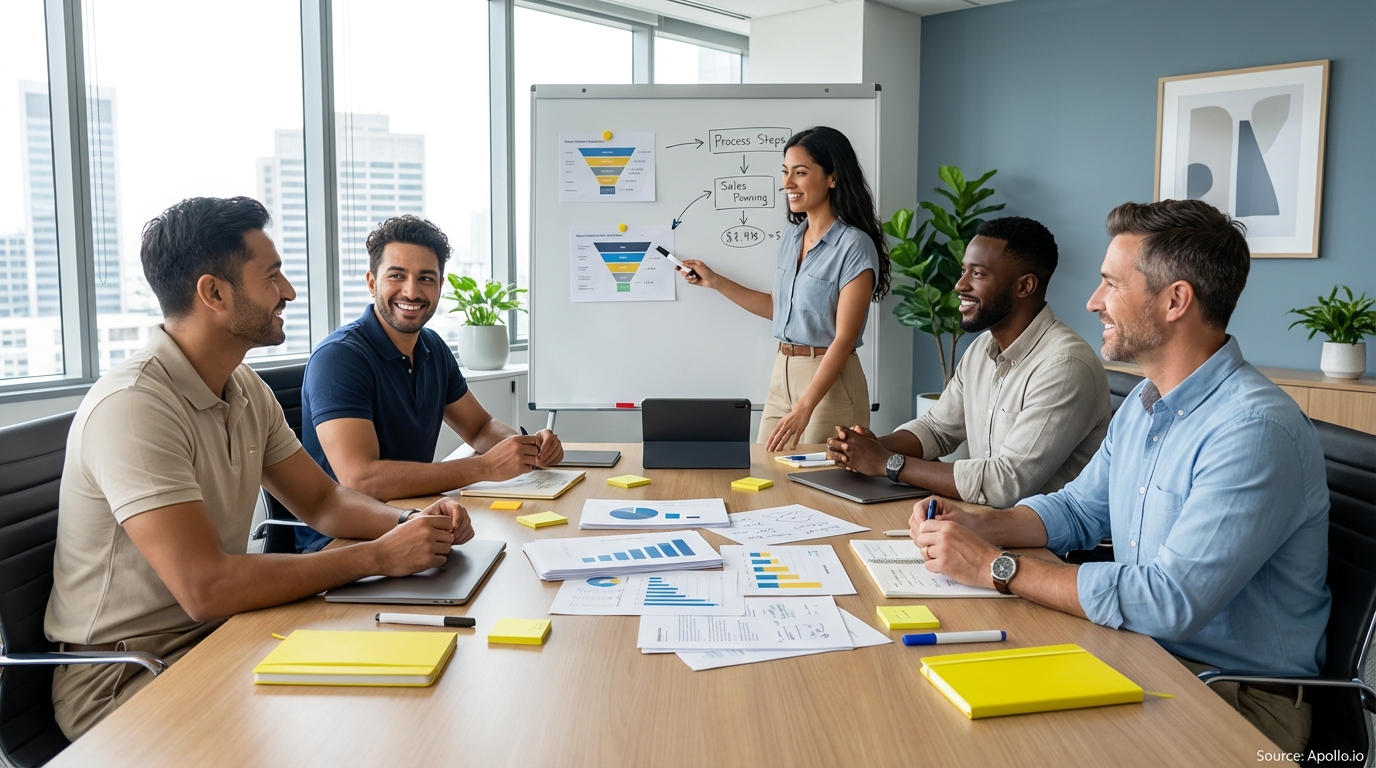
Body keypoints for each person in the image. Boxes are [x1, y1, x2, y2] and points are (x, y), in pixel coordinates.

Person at [44, 197, 474, 740]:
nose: (289, 291)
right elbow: (207, 586)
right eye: (271, 276)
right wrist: (377, 556)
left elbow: (324, 502)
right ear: (214, 293)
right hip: (127, 679)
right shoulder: (134, 407)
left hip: (228, 635)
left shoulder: (244, 386)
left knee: (404, 708)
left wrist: (412, 527)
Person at [911, 199, 1329, 753]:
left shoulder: (1252, 430)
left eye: (1111, 284)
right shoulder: (1144, 403)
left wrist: (995, 567)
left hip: (1236, 699)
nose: (1093, 301)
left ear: (1176, 300)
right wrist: (981, 524)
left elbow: (1168, 600)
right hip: (1146, 656)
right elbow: (1079, 509)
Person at [295, 215, 562, 552]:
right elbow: (361, 479)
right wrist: (484, 467)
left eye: (426, 278)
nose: (412, 291)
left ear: (440, 286)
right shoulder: (339, 358)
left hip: (417, 519)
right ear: (372, 282)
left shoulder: (432, 347)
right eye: (396, 275)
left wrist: (529, 449)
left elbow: (480, 427)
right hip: (345, 542)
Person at [827, 217, 1111, 507]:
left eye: (978, 274)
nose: (960, 284)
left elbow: (1006, 484)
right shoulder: (981, 349)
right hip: (984, 524)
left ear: (1024, 286)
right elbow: (938, 429)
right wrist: (868, 447)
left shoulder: (1065, 366)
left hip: (1047, 546)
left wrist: (888, 463)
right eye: (964, 271)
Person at [677, 126, 889, 451]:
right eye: (785, 172)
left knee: (822, 491)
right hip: (782, 376)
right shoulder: (793, 237)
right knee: (765, 474)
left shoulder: (854, 246)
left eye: (800, 173)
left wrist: (806, 406)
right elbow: (778, 308)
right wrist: (715, 281)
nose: (787, 183)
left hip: (828, 384)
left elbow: (844, 339)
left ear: (833, 177)